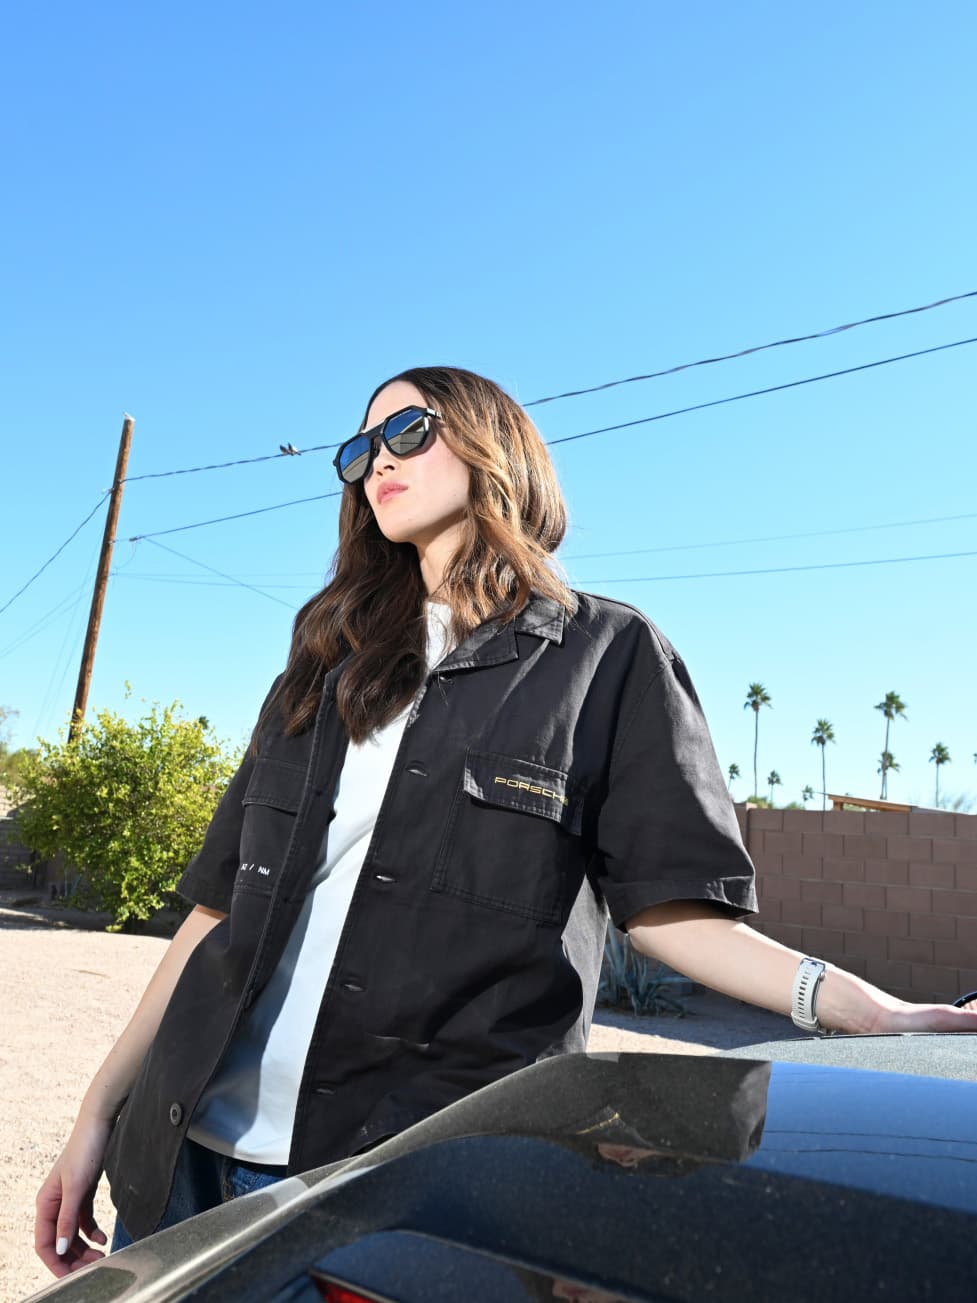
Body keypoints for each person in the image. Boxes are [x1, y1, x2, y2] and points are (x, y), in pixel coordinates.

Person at [35, 365, 977, 1277]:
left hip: (412, 1182)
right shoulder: (324, 663)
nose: (377, 462)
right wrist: (96, 1117)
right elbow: (212, 916)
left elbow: (671, 914)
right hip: (188, 1162)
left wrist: (864, 1006)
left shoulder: (607, 657)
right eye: (359, 449)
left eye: (408, 430)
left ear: (494, 449)